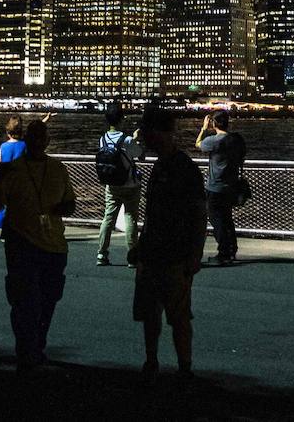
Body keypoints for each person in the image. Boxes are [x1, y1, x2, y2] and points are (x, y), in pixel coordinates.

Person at [0, 119, 75, 372]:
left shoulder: (53, 169)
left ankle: (31, 346)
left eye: (40, 137)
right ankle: (29, 348)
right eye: (35, 137)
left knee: (38, 300)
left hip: (41, 244)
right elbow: (70, 204)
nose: (38, 142)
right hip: (31, 243)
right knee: (32, 301)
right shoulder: (46, 169)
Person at [130, 108, 207, 384]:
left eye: (146, 131)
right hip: (154, 253)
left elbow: (198, 214)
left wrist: (195, 254)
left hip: (174, 254)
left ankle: (178, 367)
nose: (144, 137)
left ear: (158, 133)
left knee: (175, 316)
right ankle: (160, 363)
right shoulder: (165, 165)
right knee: (157, 315)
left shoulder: (180, 167)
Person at [196, 113, 246, 266]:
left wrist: (204, 128)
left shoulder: (213, 141)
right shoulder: (235, 140)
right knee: (227, 218)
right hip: (231, 186)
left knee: (216, 219)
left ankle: (223, 252)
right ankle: (232, 249)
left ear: (214, 124)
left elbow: (198, 144)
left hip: (215, 186)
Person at [96, 111, 145, 266]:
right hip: (130, 185)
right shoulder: (127, 139)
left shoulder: (102, 139)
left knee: (108, 218)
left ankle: (101, 254)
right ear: (121, 120)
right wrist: (136, 140)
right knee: (130, 218)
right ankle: (132, 257)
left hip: (111, 185)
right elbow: (140, 155)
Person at [0, 117, 27, 231]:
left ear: (8, 132)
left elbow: (0, 161)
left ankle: (2, 224)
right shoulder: (24, 145)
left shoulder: (4, 146)